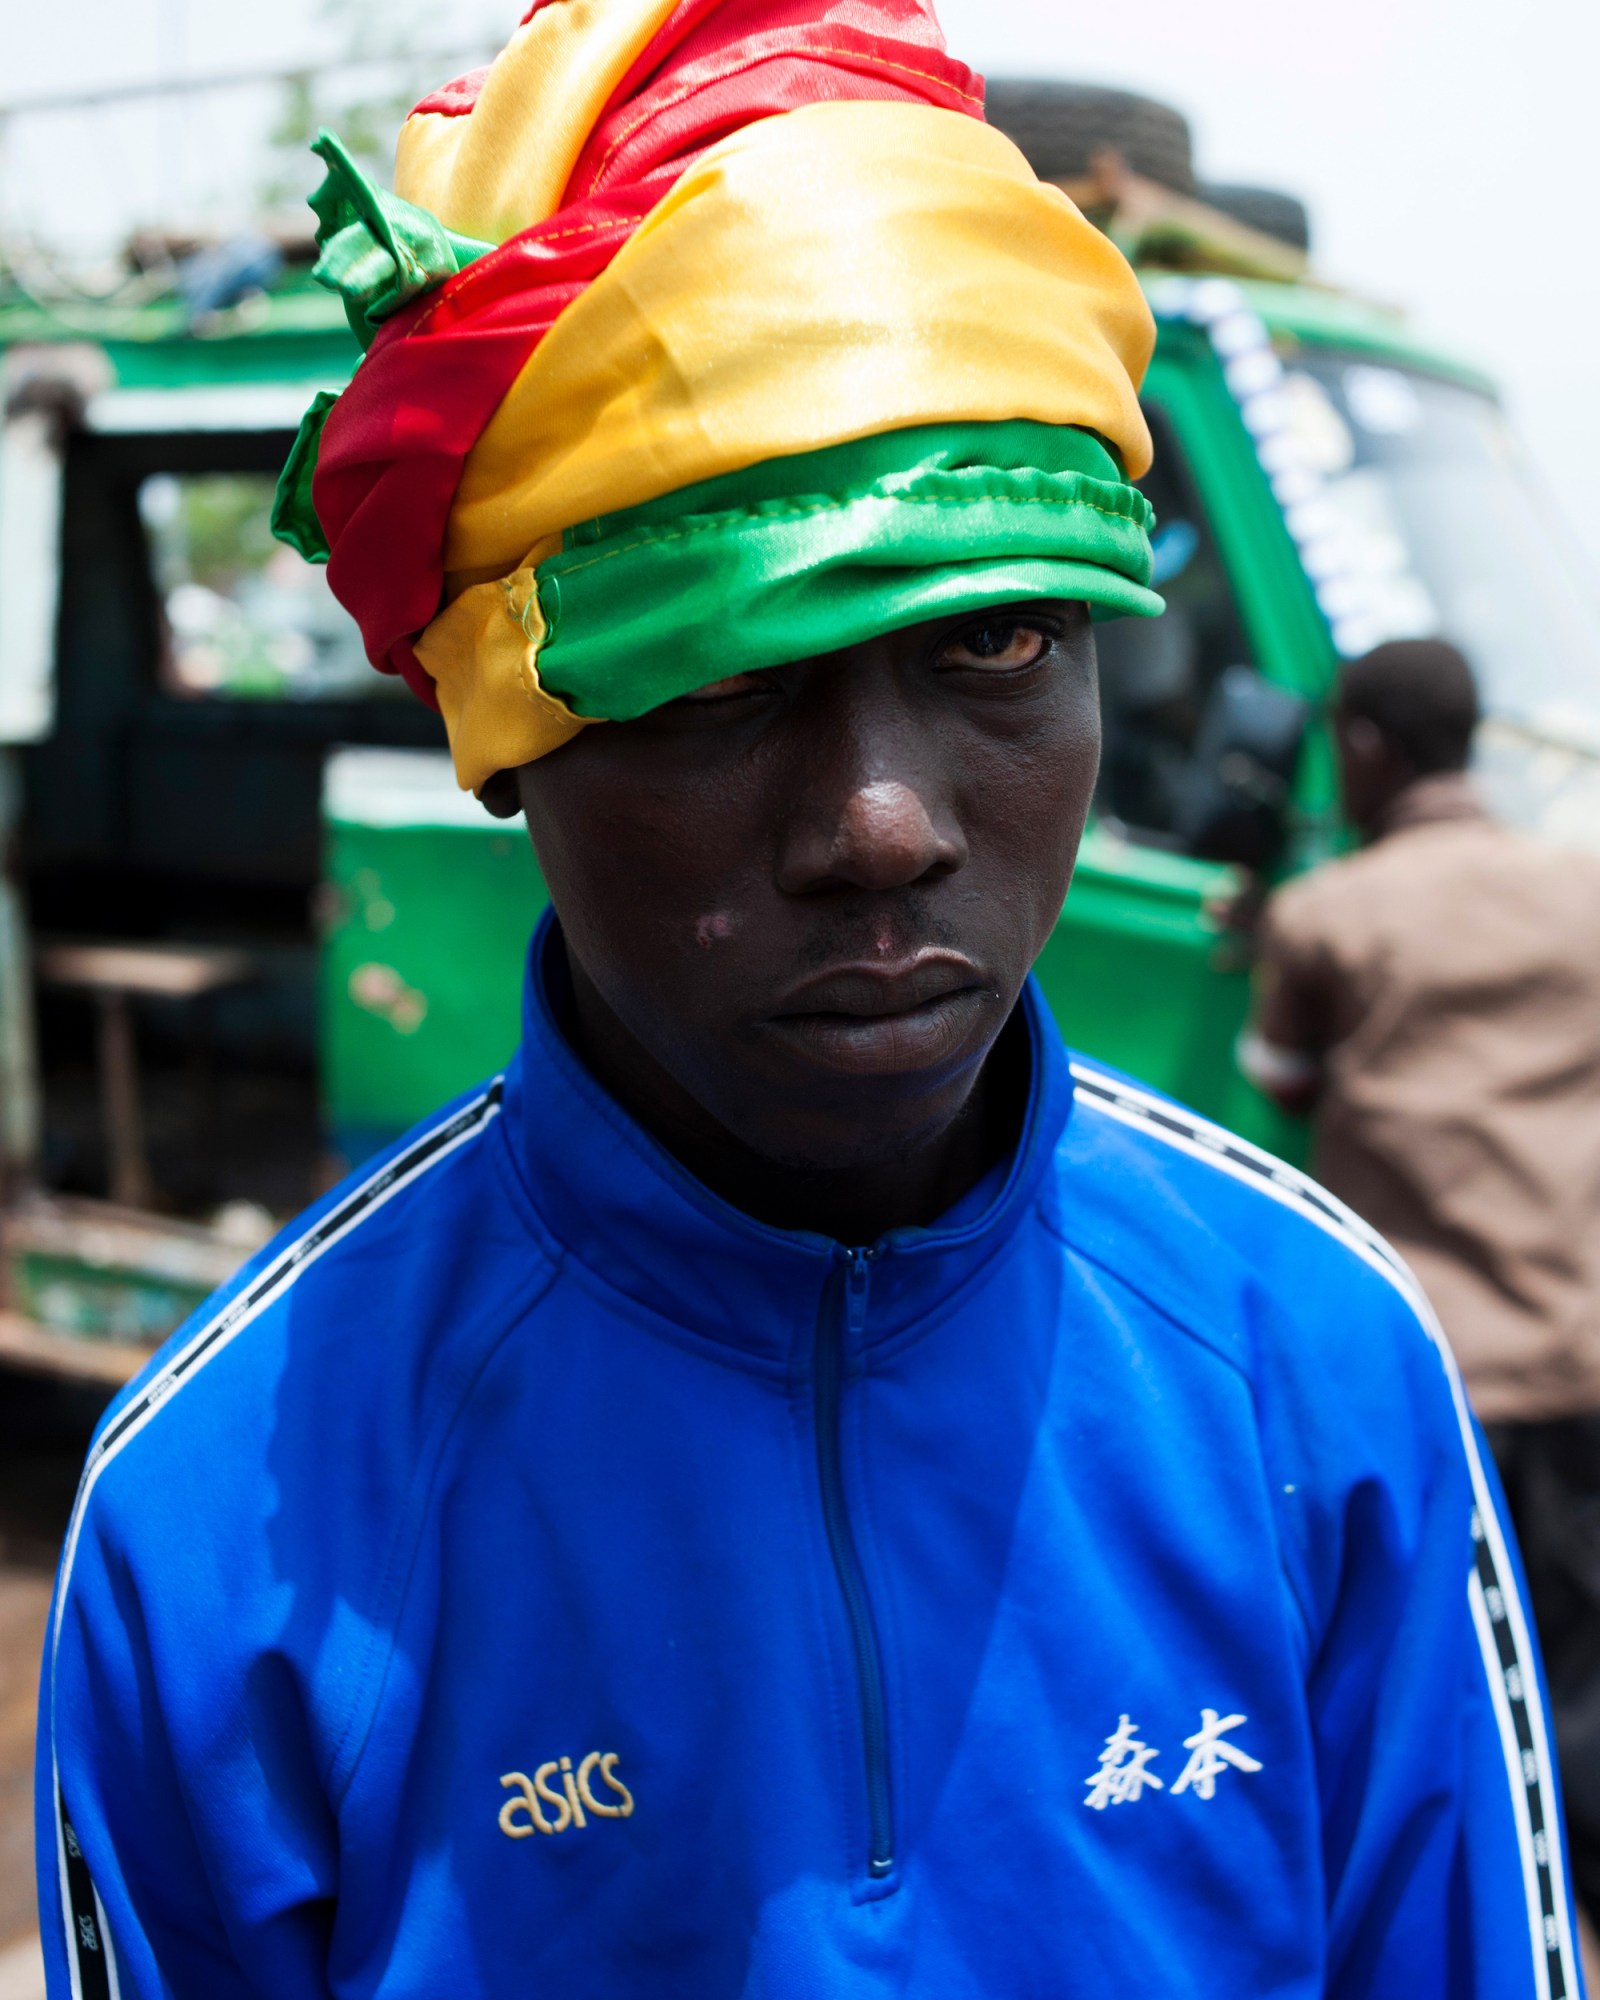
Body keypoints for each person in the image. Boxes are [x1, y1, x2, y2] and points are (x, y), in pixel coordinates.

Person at [39, 8, 1580, 1995]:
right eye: (712, 675)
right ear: (507, 740)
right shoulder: (226, 1508)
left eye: (1001, 635)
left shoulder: (1315, 1372)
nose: (875, 823)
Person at [1244, 635, 1600, 1939]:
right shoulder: (1583, 894)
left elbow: (1273, 1078)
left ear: (1368, 748)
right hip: (1575, 1353)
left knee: (1424, 1719)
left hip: (1425, 1383)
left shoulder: (1334, 915)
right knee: (1577, 1699)